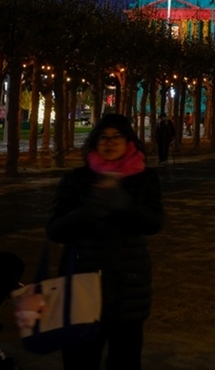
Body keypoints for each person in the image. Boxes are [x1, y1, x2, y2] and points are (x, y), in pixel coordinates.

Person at [47, 113, 165, 370]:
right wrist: (86, 210)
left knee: (125, 358)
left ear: (129, 141)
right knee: (80, 359)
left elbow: (154, 223)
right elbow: (55, 230)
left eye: (116, 136)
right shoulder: (76, 179)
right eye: (103, 137)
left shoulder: (145, 178)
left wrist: (125, 204)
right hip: (82, 280)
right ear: (94, 141)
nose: (109, 142)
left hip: (129, 285)